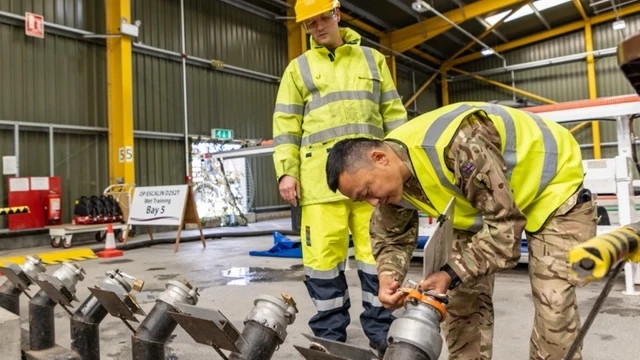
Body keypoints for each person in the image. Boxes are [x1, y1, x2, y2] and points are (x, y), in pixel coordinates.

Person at [324, 102, 598, 360]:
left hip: (553, 190)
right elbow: (390, 237)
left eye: (368, 192)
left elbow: (505, 232)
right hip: (485, 205)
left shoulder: (458, 145)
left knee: (554, 305)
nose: (373, 202)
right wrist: (388, 276)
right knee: (460, 302)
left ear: (380, 158)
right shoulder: (391, 176)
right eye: (364, 200)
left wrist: (450, 272)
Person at [271, 0, 407, 355]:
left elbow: (393, 114)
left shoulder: (372, 60)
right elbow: (286, 126)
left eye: (322, 18)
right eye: (309, 24)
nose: (317, 27)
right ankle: (330, 333)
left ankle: (381, 330)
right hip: (319, 185)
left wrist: (406, 163)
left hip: (372, 182)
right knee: (322, 264)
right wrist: (286, 171)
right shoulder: (297, 69)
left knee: (376, 257)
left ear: (337, 15)